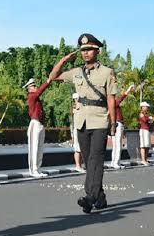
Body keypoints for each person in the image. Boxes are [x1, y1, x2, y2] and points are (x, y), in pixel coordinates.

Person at [50, 34, 118, 214]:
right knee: (89, 161)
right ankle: (100, 198)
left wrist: (113, 121)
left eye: (89, 50)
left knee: (96, 159)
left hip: (100, 119)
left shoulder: (107, 72)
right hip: (81, 121)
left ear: (97, 51)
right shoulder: (76, 72)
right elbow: (52, 76)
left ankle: (90, 197)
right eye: (82, 50)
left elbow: (111, 99)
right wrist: (65, 59)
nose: (85, 53)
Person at [23, 77, 52, 177]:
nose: (35, 87)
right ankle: (33, 170)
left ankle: (38, 169)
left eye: (35, 85)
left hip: (40, 123)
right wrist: (48, 81)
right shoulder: (31, 96)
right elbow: (40, 91)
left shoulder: (36, 97)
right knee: (34, 147)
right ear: (29, 89)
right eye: (33, 86)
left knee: (39, 147)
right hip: (34, 123)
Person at [111, 85, 135, 169]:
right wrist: (128, 90)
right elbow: (121, 98)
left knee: (115, 144)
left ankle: (114, 161)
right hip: (117, 124)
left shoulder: (110, 103)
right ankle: (116, 162)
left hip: (114, 124)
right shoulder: (113, 102)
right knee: (118, 144)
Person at [70, 93, 85, 173]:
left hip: (80, 129)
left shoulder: (78, 107)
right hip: (77, 129)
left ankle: (80, 165)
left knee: (80, 149)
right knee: (77, 148)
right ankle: (78, 166)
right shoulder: (75, 108)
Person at [138, 101, 152, 165]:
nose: (147, 107)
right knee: (143, 145)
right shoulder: (141, 113)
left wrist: (149, 119)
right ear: (142, 107)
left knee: (147, 146)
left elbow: (150, 121)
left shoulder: (146, 114)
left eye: (147, 106)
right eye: (145, 106)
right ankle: (143, 160)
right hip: (143, 130)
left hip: (147, 130)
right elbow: (144, 120)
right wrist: (149, 118)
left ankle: (146, 159)